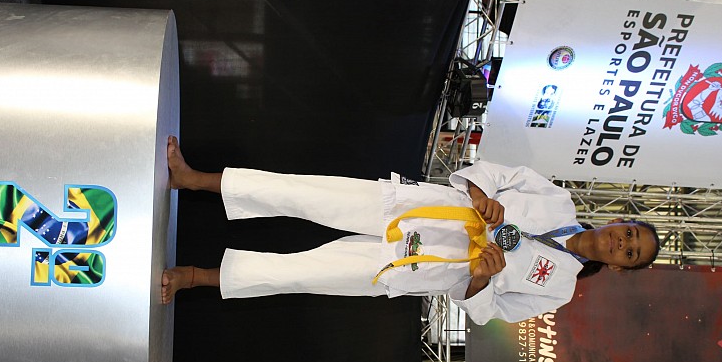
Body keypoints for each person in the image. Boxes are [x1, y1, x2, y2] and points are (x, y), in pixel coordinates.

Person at [162, 136, 659, 325]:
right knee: (302, 193)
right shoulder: (556, 200)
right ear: (621, 219)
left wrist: (483, 278)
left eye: (630, 253)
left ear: (619, 268)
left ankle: (193, 277)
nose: (623, 242)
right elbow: (494, 173)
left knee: (303, 273)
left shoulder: (559, 289)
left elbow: (490, 312)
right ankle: (193, 179)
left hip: (421, 268)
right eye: (631, 232)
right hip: (420, 210)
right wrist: (481, 195)